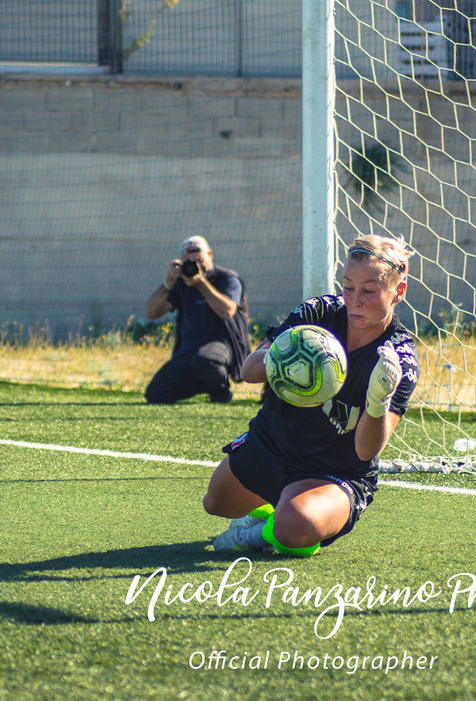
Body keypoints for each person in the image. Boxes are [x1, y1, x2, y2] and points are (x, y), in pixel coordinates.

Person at [202, 234, 419, 557]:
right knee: (216, 503)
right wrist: (288, 353)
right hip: (273, 443)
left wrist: (377, 402)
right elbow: (248, 372)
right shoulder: (318, 313)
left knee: (293, 527)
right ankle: (272, 509)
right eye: (347, 286)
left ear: (398, 291)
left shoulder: (399, 359)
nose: (354, 300)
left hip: (334, 471)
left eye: (369, 291)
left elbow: (365, 450)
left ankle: (260, 534)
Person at [144, 235, 250, 404]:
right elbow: (152, 313)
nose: (195, 266)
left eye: (199, 260)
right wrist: (168, 283)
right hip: (190, 348)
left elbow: (228, 311)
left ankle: (220, 392)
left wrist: (201, 283)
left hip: (223, 344)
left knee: (205, 360)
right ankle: (203, 383)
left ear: (210, 254)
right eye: (190, 262)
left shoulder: (227, 278)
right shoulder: (182, 282)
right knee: (155, 394)